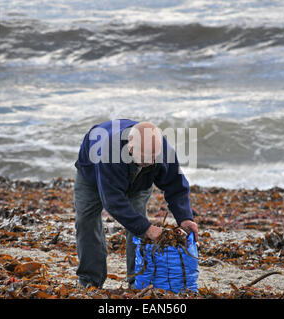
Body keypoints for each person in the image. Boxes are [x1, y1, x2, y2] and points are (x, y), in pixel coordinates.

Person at [73, 119, 199, 289]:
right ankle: (90, 280)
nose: (151, 161)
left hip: (140, 182)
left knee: (138, 222)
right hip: (92, 174)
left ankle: (137, 281)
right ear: (130, 147)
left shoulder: (162, 151)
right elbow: (113, 201)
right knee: (86, 221)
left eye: (154, 157)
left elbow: (176, 186)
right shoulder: (110, 151)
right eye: (146, 158)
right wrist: (147, 228)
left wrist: (184, 217)